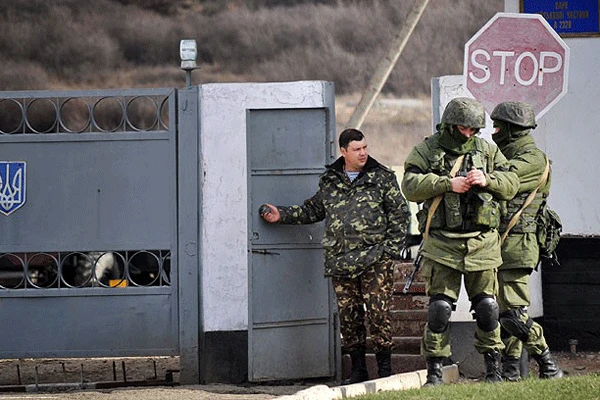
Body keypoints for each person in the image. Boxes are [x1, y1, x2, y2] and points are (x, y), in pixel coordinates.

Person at [260, 128, 409, 385]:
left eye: (365, 147)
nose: (363, 153)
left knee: (378, 315)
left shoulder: (381, 177)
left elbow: (400, 214)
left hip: (374, 259)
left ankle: (384, 372)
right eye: (356, 149)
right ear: (343, 152)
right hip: (341, 260)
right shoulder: (330, 180)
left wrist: (390, 251)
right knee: (349, 318)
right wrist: (281, 214)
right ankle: (359, 370)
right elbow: (313, 210)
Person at [401, 97, 519, 386]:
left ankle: (494, 371)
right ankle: (435, 373)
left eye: (473, 130)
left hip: (482, 242)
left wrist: (487, 180)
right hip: (442, 244)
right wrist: (445, 183)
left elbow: (512, 182)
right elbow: (410, 186)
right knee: (439, 308)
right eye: (463, 128)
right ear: (450, 124)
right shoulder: (426, 150)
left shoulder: (488, 150)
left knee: (488, 307)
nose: (468, 134)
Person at [490, 101, 564, 381]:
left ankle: (548, 363)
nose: (494, 130)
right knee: (504, 310)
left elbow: (500, 179)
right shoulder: (507, 152)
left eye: (499, 125)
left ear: (512, 129)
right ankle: (511, 372)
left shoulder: (532, 159)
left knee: (513, 313)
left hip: (518, 245)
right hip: (500, 244)